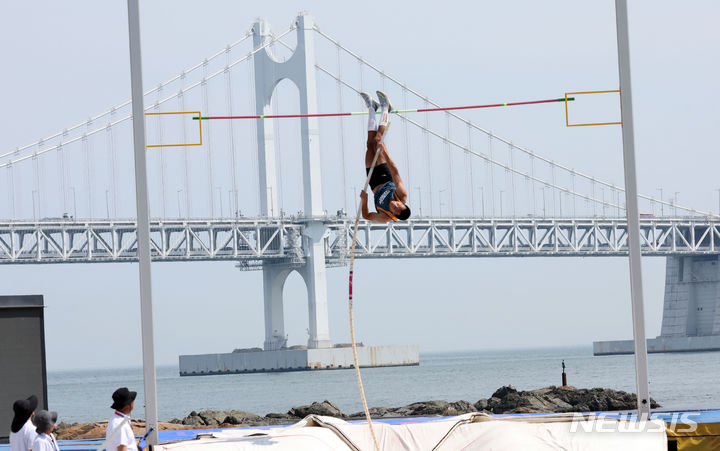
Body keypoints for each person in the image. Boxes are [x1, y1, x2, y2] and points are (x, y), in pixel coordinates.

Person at [359, 90, 411, 222]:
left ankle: (372, 107)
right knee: (377, 141)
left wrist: (364, 201)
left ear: (394, 214)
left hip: (373, 183)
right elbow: (395, 172)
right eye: (399, 206)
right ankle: (385, 108)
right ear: (402, 204)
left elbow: (367, 216)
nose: (395, 206)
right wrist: (385, 153)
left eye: (396, 210)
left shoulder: (385, 216)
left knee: (369, 145)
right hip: (385, 174)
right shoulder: (401, 194)